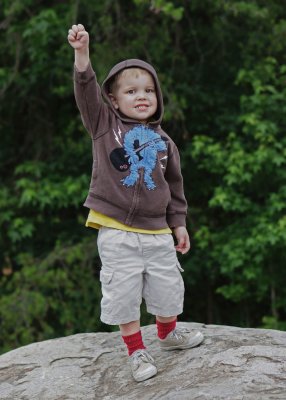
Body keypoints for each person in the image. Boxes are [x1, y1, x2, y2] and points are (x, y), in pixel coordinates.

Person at [67, 23, 204, 382]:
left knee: (167, 288)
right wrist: (82, 55)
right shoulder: (103, 124)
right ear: (113, 99)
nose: (141, 96)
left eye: (148, 91)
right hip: (116, 231)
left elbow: (175, 187)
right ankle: (135, 350)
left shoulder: (165, 142)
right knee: (124, 293)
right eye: (130, 91)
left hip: (158, 231)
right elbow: (85, 92)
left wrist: (179, 223)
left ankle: (167, 333)